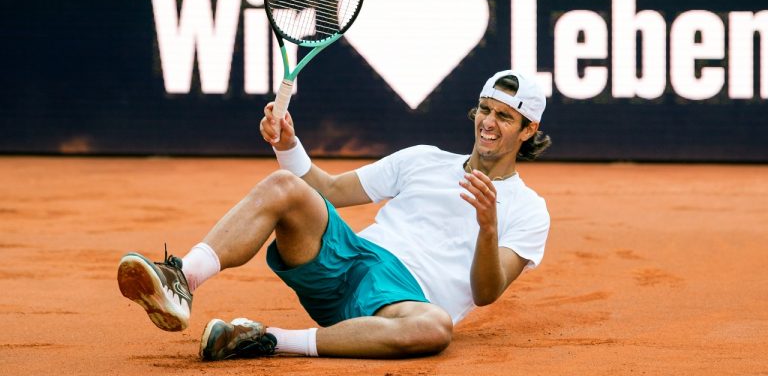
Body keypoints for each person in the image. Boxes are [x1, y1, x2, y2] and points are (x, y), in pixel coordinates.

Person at [117, 69, 552, 360]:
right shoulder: (423, 159)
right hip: (350, 259)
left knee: (435, 328)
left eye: (505, 117)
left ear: (529, 129)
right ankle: (182, 279)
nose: (488, 123)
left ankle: (263, 339)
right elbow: (326, 190)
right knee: (283, 186)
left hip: (402, 306)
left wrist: (488, 226)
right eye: (485, 109)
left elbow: (486, 293)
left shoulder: (530, 210)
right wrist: (286, 143)